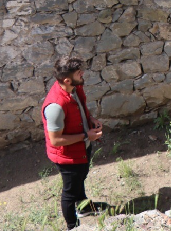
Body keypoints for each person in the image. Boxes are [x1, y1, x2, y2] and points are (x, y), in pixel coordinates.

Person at [41, 56, 104, 229]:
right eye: (79, 73)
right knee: (69, 193)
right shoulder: (55, 106)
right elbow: (55, 140)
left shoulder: (74, 88)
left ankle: (84, 207)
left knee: (80, 178)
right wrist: (86, 136)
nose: (82, 74)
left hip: (81, 148)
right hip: (68, 156)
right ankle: (73, 226)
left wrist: (90, 119)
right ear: (67, 79)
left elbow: (79, 108)